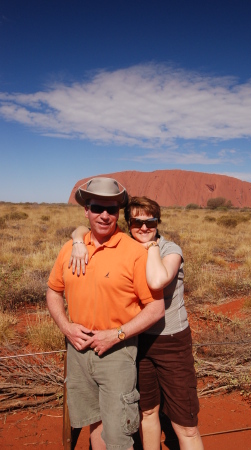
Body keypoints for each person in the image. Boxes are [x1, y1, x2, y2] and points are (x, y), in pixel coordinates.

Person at [70, 196, 204, 450]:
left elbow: (155, 281)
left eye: (150, 222)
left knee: (185, 423)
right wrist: (78, 240)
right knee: (147, 411)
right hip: (135, 341)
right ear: (128, 224)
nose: (143, 228)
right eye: (136, 223)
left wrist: (151, 248)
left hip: (171, 343)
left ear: (158, 222)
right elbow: (83, 229)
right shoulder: (124, 246)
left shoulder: (170, 250)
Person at [47, 179, 165, 450]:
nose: (104, 215)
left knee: (118, 433)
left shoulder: (134, 252)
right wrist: (66, 327)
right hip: (77, 350)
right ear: (86, 210)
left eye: (111, 210)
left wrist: (116, 334)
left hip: (116, 352)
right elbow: (53, 292)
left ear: (117, 213)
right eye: (97, 207)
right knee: (94, 424)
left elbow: (156, 307)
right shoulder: (70, 248)